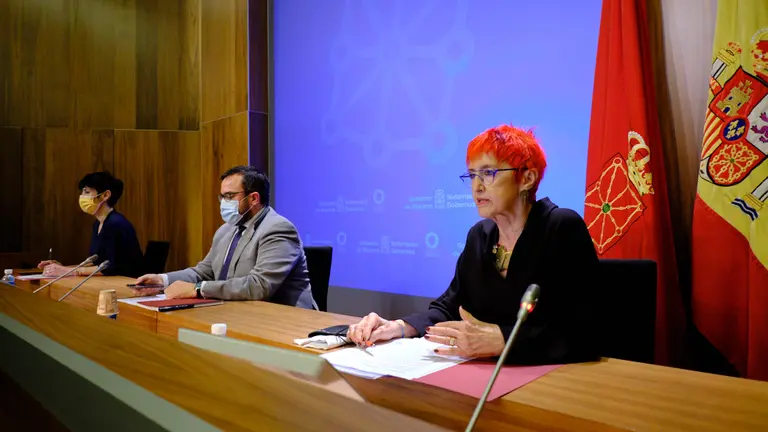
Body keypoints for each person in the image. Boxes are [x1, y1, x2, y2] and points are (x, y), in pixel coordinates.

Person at [348, 125, 600, 365]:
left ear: (527, 178)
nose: (476, 186)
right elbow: (450, 306)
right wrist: (399, 327)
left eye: (488, 173)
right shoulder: (480, 235)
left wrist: (503, 340)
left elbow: (583, 333)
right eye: (472, 175)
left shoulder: (561, 227)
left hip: (553, 379)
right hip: (486, 373)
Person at [134, 166, 317, 309]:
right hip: (237, 312)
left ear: (253, 198)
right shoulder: (226, 230)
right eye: (221, 197)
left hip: (282, 319)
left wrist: (198, 289)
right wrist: (162, 280)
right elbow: (203, 272)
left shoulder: (278, 229)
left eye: (229, 196)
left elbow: (258, 286)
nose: (223, 203)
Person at [38, 172, 144, 278]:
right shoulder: (97, 224)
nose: (82, 196)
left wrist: (71, 271)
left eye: (87, 192)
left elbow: (110, 267)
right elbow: (96, 262)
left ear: (105, 195)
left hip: (125, 283)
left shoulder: (116, 224)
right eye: (82, 192)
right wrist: (62, 268)